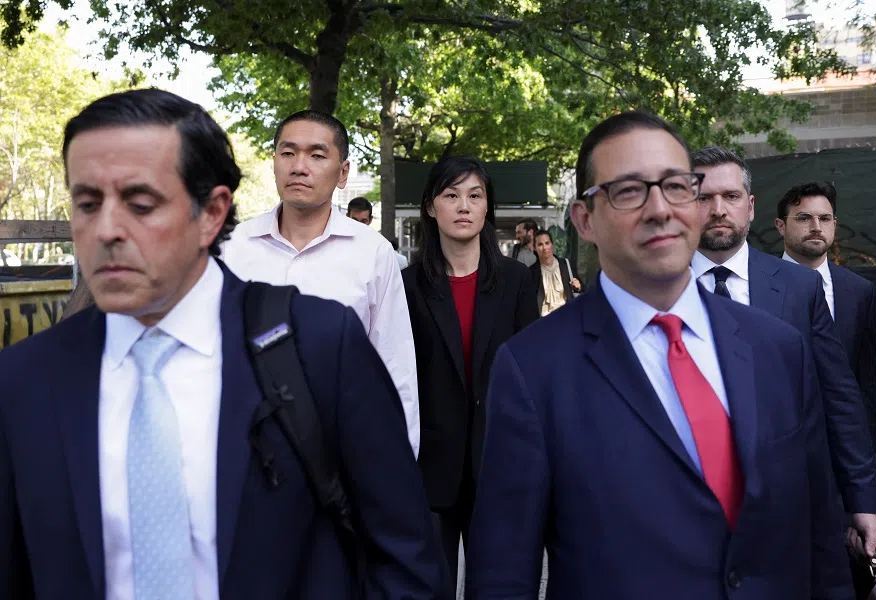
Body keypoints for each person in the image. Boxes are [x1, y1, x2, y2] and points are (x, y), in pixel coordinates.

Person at [0, 89, 450, 600]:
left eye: (141, 203)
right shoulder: (23, 384)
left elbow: (403, 558)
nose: (106, 231)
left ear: (212, 213)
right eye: (87, 202)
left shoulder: (324, 343)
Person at [466, 111, 852, 599]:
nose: (660, 209)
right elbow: (503, 571)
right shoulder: (533, 369)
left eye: (676, 186)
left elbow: (819, 532)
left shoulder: (777, 348)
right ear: (584, 219)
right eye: (628, 190)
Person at [689, 146, 876, 556]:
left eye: (731, 196)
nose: (718, 209)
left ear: (751, 206)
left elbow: (840, 398)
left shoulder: (799, 288)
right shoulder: (655, 287)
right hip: (686, 507)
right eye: (703, 197)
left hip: (787, 508)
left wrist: (862, 501)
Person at [220, 110, 420, 455]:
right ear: (274, 163)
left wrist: (399, 458)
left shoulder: (373, 253)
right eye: (288, 153)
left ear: (343, 173)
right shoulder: (232, 247)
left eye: (317, 155)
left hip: (340, 448)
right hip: (243, 446)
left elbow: (394, 363)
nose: (299, 166)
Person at [402, 155, 538, 587]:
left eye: (474, 196)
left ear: (486, 208)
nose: (463, 206)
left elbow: (529, 375)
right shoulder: (406, 286)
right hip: (428, 472)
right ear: (430, 206)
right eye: (451, 195)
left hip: (498, 467)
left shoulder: (517, 280)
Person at [776, 181, 876, 451]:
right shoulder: (754, 283)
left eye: (825, 218)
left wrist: (865, 445)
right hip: (777, 443)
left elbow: (864, 379)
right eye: (803, 217)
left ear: (835, 224)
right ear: (780, 226)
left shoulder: (859, 290)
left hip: (841, 447)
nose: (816, 227)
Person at [530, 228, 582, 316]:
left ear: (552, 244)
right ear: (534, 248)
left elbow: (580, 289)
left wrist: (578, 287)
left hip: (566, 317)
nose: (545, 248)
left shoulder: (566, 265)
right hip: (544, 322)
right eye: (540, 244)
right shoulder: (531, 272)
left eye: (547, 243)